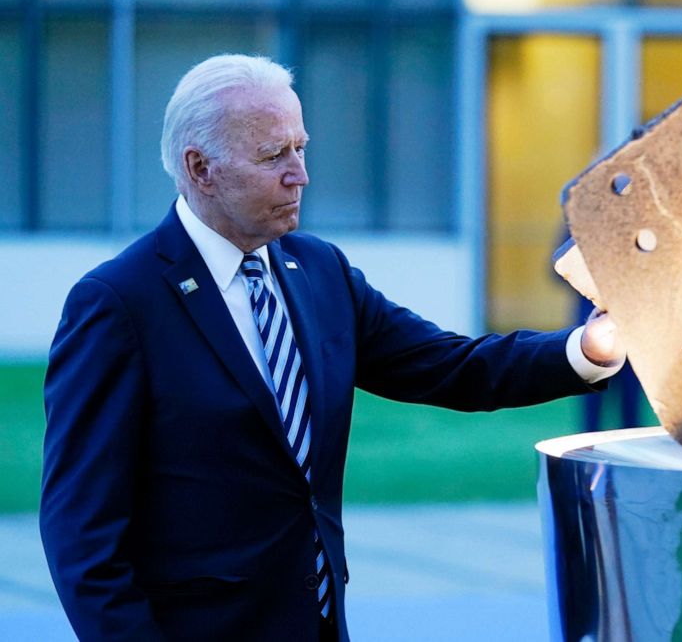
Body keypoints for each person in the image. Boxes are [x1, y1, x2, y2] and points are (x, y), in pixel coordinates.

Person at [40, 54, 625, 642]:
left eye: (301, 148)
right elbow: (81, 535)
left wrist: (588, 347)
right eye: (273, 156)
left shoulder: (318, 271)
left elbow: (452, 367)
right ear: (200, 169)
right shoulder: (119, 304)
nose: (300, 174)